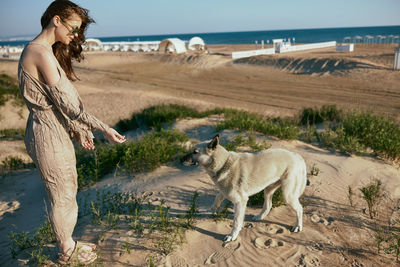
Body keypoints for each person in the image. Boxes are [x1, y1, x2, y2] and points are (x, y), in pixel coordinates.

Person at [18, 0, 126, 264]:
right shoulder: (40, 53)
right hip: (46, 133)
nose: (76, 35)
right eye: (74, 28)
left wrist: (76, 130)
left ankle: (68, 242)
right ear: (56, 20)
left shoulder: (45, 51)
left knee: (67, 192)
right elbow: (68, 106)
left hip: (50, 130)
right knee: (62, 196)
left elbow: (59, 105)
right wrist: (104, 128)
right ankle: (66, 251)